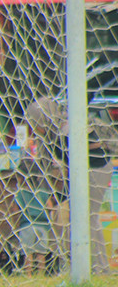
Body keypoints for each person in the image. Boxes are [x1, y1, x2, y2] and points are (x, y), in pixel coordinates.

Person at [24, 96, 112, 274]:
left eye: (34, 123)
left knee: (88, 217)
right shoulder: (47, 135)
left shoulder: (67, 125)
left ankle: (99, 268)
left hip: (97, 169)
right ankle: (84, 265)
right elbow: (52, 166)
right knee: (79, 218)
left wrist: (79, 141)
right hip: (80, 173)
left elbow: (96, 142)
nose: (33, 128)